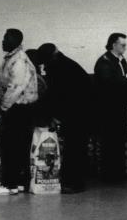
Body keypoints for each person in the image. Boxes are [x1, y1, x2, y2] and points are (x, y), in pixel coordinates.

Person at [32, 43, 93, 193]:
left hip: (77, 114)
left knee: (74, 148)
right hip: (82, 111)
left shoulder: (58, 68)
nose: (43, 68)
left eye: (44, 63)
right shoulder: (66, 64)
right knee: (77, 147)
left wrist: (47, 114)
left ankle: (74, 183)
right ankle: (74, 180)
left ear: (49, 58)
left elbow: (55, 95)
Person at [0, 28, 37, 195]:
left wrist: (3, 107)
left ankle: (13, 183)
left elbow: (15, 88)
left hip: (19, 109)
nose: (2, 41)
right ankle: (16, 182)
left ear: (15, 41)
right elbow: (1, 86)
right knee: (14, 146)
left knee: (15, 146)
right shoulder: (10, 59)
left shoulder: (19, 61)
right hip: (14, 108)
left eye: (6, 38)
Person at [93, 32, 127, 183]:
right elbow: (108, 83)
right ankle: (109, 174)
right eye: (123, 44)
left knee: (120, 139)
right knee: (110, 140)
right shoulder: (104, 62)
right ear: (114, 45)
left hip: (120, 107)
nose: (125, 47)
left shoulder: (121, 60)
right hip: (109, 109)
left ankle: (119, 170)